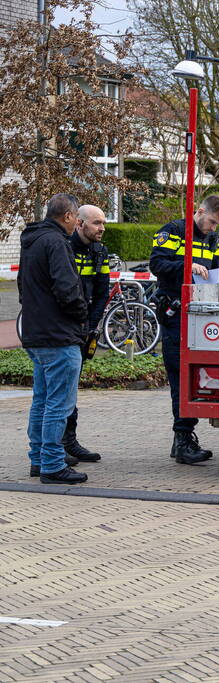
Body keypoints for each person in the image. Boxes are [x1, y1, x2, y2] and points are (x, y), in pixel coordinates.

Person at [17, 194, 90, 484]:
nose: (77, 224)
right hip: (59, 336)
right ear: (69, 216)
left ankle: (38, 459)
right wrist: (81, 315)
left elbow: (23, 285)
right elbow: (67, 288)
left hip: (36, 334)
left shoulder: (32, 241)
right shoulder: (57, 242)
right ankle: (51, 464)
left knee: (42, 401)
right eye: (76, 218)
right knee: (59, 404)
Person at [150, 195, 219, 464]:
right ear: (200, 211)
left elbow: (212, 272)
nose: (213, 228)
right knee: (180, 374)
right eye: (211, 222)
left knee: (194, 376)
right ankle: (182, 439)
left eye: (217, 225)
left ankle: (184, 438)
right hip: (175, 313)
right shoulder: (173, 231)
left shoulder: (212, 239)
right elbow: (156, 265)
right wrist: (186, 266)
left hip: (200, 316)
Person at [62, 204, 110, 464]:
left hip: (82, 329)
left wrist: (91, 326)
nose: (102, 228)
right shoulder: (63, 248)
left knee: (71, 388)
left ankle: (69, 441)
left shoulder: (99, 252)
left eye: (103, 223)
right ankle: (57, 446)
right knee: (60, 390)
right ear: (79, 223)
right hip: (62, 328)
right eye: (96, 223)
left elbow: (102, 292)